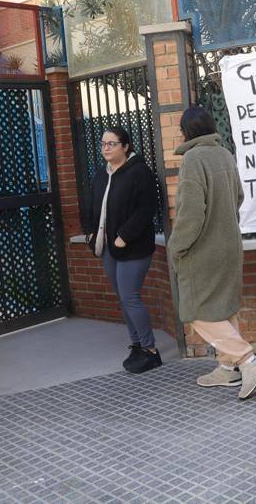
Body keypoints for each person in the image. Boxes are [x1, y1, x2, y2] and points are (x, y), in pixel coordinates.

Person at [168, 106, 256, 400]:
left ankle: (248, 359)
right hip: (229, 243)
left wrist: (177, 246)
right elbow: (239, 196)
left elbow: (190, 215)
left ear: (187, 131)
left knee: (197, 310)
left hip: (203, 249)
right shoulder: (224, 154)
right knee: (223, 306)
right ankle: (227, 367)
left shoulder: (193, 159)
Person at [83, 126, 162, 373]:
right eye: (103, 143)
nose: (106, 148)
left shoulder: (139, 172)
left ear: (125, 147)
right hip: (108, 248)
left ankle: (150, 350)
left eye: (112, 144)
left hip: (133, 248)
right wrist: (90, 232)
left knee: (130, 296)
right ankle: (137, 344)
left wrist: (124, 236)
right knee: (123, 299)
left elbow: (147, 209)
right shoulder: (102, 174)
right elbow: (91, 205)